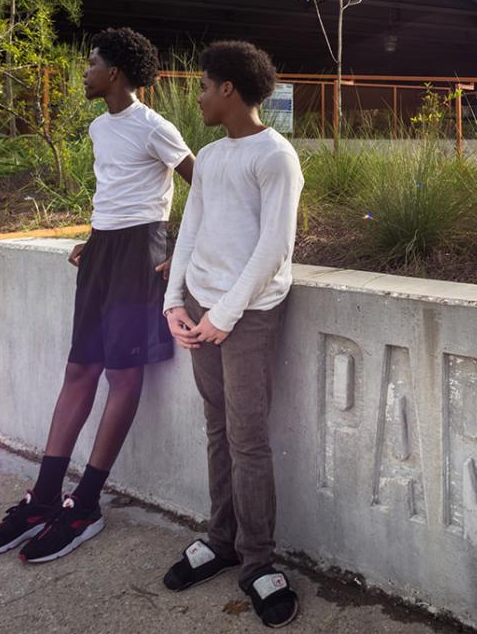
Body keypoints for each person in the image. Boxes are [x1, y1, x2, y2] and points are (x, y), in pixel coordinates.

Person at [0, 28, 194, 562]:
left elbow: (203, 182)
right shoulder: (100, 127)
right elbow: (112, 191)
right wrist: (93, 238)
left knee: (122, 375)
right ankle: (44, 498)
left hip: (141, 253)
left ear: (114, 72)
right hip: (102, 254)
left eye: (91, 63)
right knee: (79, 370)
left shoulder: (154, 127)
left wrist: (181, 250)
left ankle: (86, 504)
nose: (84, 71)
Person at [159, 40, 303, 629]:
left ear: (228, 89)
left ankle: (259, 562)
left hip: (247, 316)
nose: (196, 97)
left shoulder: (276, 156)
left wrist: (226, 314)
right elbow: (189, 229)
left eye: (201, 86)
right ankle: (220, 540)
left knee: (247, 439)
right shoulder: (212, 159)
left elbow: (276, 247)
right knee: (217, 428)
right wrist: (175, 302)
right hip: (199, 308)